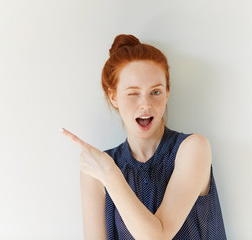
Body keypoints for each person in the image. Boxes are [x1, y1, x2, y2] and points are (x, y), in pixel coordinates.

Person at [60, 34, 226, 239]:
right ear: (114, 97)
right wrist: (105, 171)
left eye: (155, 92)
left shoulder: (193, 148)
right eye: (133, 93)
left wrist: (111, 176)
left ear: (167, 93)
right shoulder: (97, 169)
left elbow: (158, 236)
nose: (146, 104)